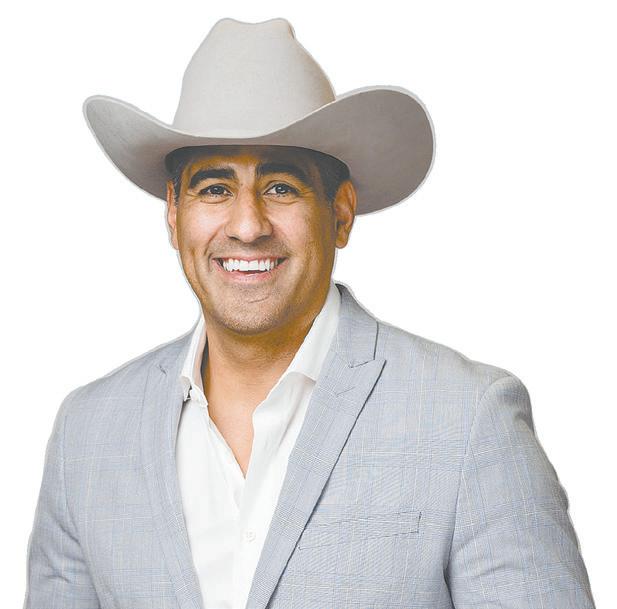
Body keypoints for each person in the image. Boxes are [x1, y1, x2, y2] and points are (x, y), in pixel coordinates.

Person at [23, 17, 596, 609]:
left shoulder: (470, 419)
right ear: (174, 214)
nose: (247, 226)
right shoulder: (87, 435)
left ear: (340, 213)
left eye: (280, 187)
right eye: (214, 188)